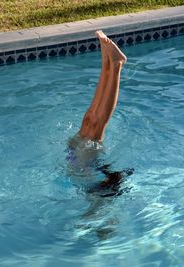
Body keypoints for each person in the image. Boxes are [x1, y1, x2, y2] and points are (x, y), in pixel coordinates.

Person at [67, 31, 132, 197]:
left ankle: (107, 61)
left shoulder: (91, 192)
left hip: (76, 154)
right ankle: (116, 65)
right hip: (86, 158)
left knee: (89, 118)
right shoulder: (96, 195)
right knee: (97, 123)